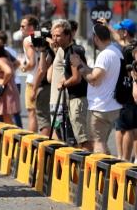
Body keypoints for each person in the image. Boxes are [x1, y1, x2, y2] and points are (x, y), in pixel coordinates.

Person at [70, 24, 123, 155]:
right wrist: (81, 63)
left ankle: (102, 168)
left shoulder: (104, 55)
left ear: (96, 38)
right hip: (112, 105)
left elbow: (93, 79)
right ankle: (108, 165)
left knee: (97, 142)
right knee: (102, 142)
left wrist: (79, 67)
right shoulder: (116, 51)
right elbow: (97, 72)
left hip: (100, 107)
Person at [50, 20, 90, 149]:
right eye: (53, 35)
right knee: (77, 137)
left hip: (78, 99)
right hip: (74, 98)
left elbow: (77, 78)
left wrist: (64, 84)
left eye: (58, 36)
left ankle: (89, 160)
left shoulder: (72, 52)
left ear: (68, 35)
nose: (55, 39)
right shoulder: (66, 51)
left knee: (82, 139)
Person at [112, 19, 137, 161]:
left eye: (120, 30)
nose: (118, 32)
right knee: (127, 127)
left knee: (126, 127)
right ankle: (128, 158)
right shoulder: (131, 47)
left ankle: (124, 159)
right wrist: (108, 27)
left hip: (127, 93)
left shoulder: (129, 49)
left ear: (125, 32)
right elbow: (117, 38)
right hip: (129, 92)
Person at [0, 31, 20, 125]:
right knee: (7, 119)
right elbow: (15, 65)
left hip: (7, 92)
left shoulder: (0, 60)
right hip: (7, 90)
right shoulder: (5, 56)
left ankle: (14, 134)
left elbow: (8, 71)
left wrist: (2, 82)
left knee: (7, 120)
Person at [20, 16, 40, 132]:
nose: (21, 28)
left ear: (31, 27)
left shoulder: (28, 40)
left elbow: (32, 63)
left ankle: (32, 140)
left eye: (23, 26)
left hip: (32, 81)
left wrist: (24, 68)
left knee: (32, 113)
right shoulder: (41, 37)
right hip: (43, 79)